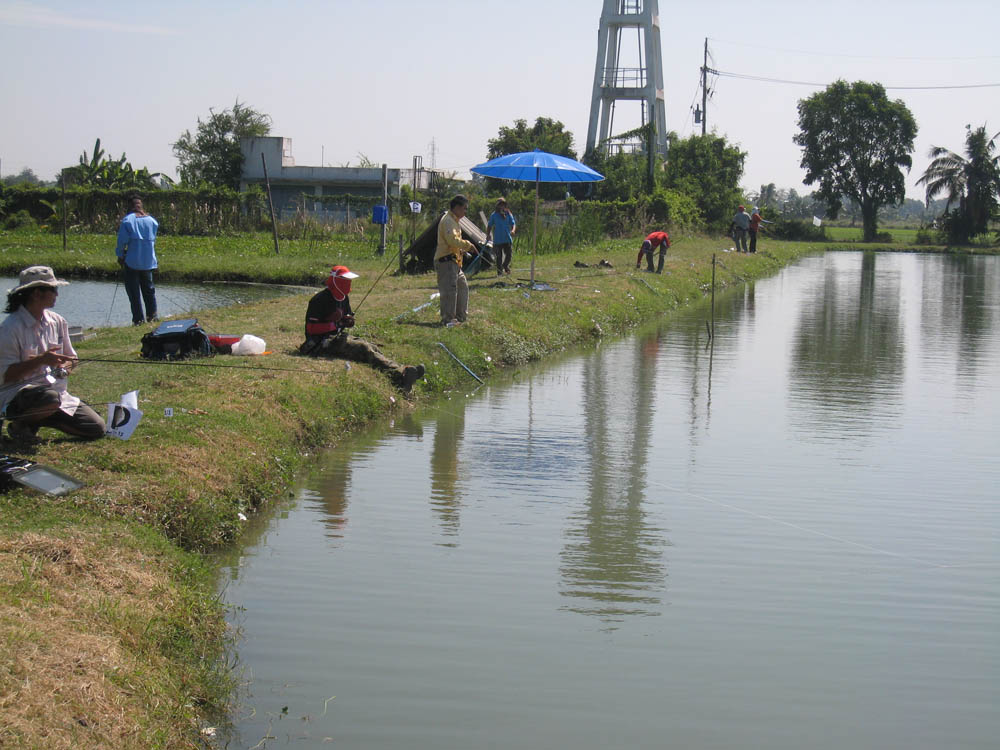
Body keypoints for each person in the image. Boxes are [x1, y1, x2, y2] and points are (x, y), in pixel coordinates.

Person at [0, 266, 106, 443]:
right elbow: (6, 377)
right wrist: (41, 361)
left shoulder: (57, 321)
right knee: (49, 398)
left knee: (96, 428)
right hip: (17, 395)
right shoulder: (10, 328)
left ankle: (38, 418)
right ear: (36, 293)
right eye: (53, 289)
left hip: (56, 395)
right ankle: (19, 425)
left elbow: (72, 359)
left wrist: (65, 367)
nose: (57, 294)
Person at [299, 265, 425, 392]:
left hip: (336, 338)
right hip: (320, 344)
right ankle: (401, 375)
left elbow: (344, 318)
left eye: (349, 281)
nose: (348, 283)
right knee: (363, 348)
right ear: (335, 280)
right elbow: (311, 329)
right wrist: (335, 324)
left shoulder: (344, 298)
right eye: (345, 280)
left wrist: (347, 321)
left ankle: (403, 372)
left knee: (371, 346)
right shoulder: (319, 300)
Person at [115, 195, 159, 325]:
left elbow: (122, 241)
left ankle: (138, 319)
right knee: (149, 290)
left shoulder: (128, 221)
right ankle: (152, 316)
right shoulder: (152, 221)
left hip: (132, 261)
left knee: (134, 292)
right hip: (148, 262)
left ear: (129, 207)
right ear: (141, 206)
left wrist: (120, 256)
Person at [435, 195, 475, 327]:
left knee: (462, 287)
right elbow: (452, 240)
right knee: (449, 291)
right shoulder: (448, 221)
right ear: (457, 207)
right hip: (446, 261)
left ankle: (460, 316)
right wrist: (468, 245)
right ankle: (448, 319)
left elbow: (453, 242)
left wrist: (461, 250)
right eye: (464, 208)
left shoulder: (454, 220)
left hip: (455, 261)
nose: (465, 212)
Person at [485, 198, 516, 277]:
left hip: (507, 238)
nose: (501, 206)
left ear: (505, 205)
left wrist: (513, 230)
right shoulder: (494, 215)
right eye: (500, 205)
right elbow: (489, 225)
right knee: (499, 257)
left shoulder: (508, 214)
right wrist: (488, 235)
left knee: (509, 255)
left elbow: (513, 224)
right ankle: (499, 273)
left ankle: (505, 265)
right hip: (498, 240)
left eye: (503, 204)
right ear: (497, 206)